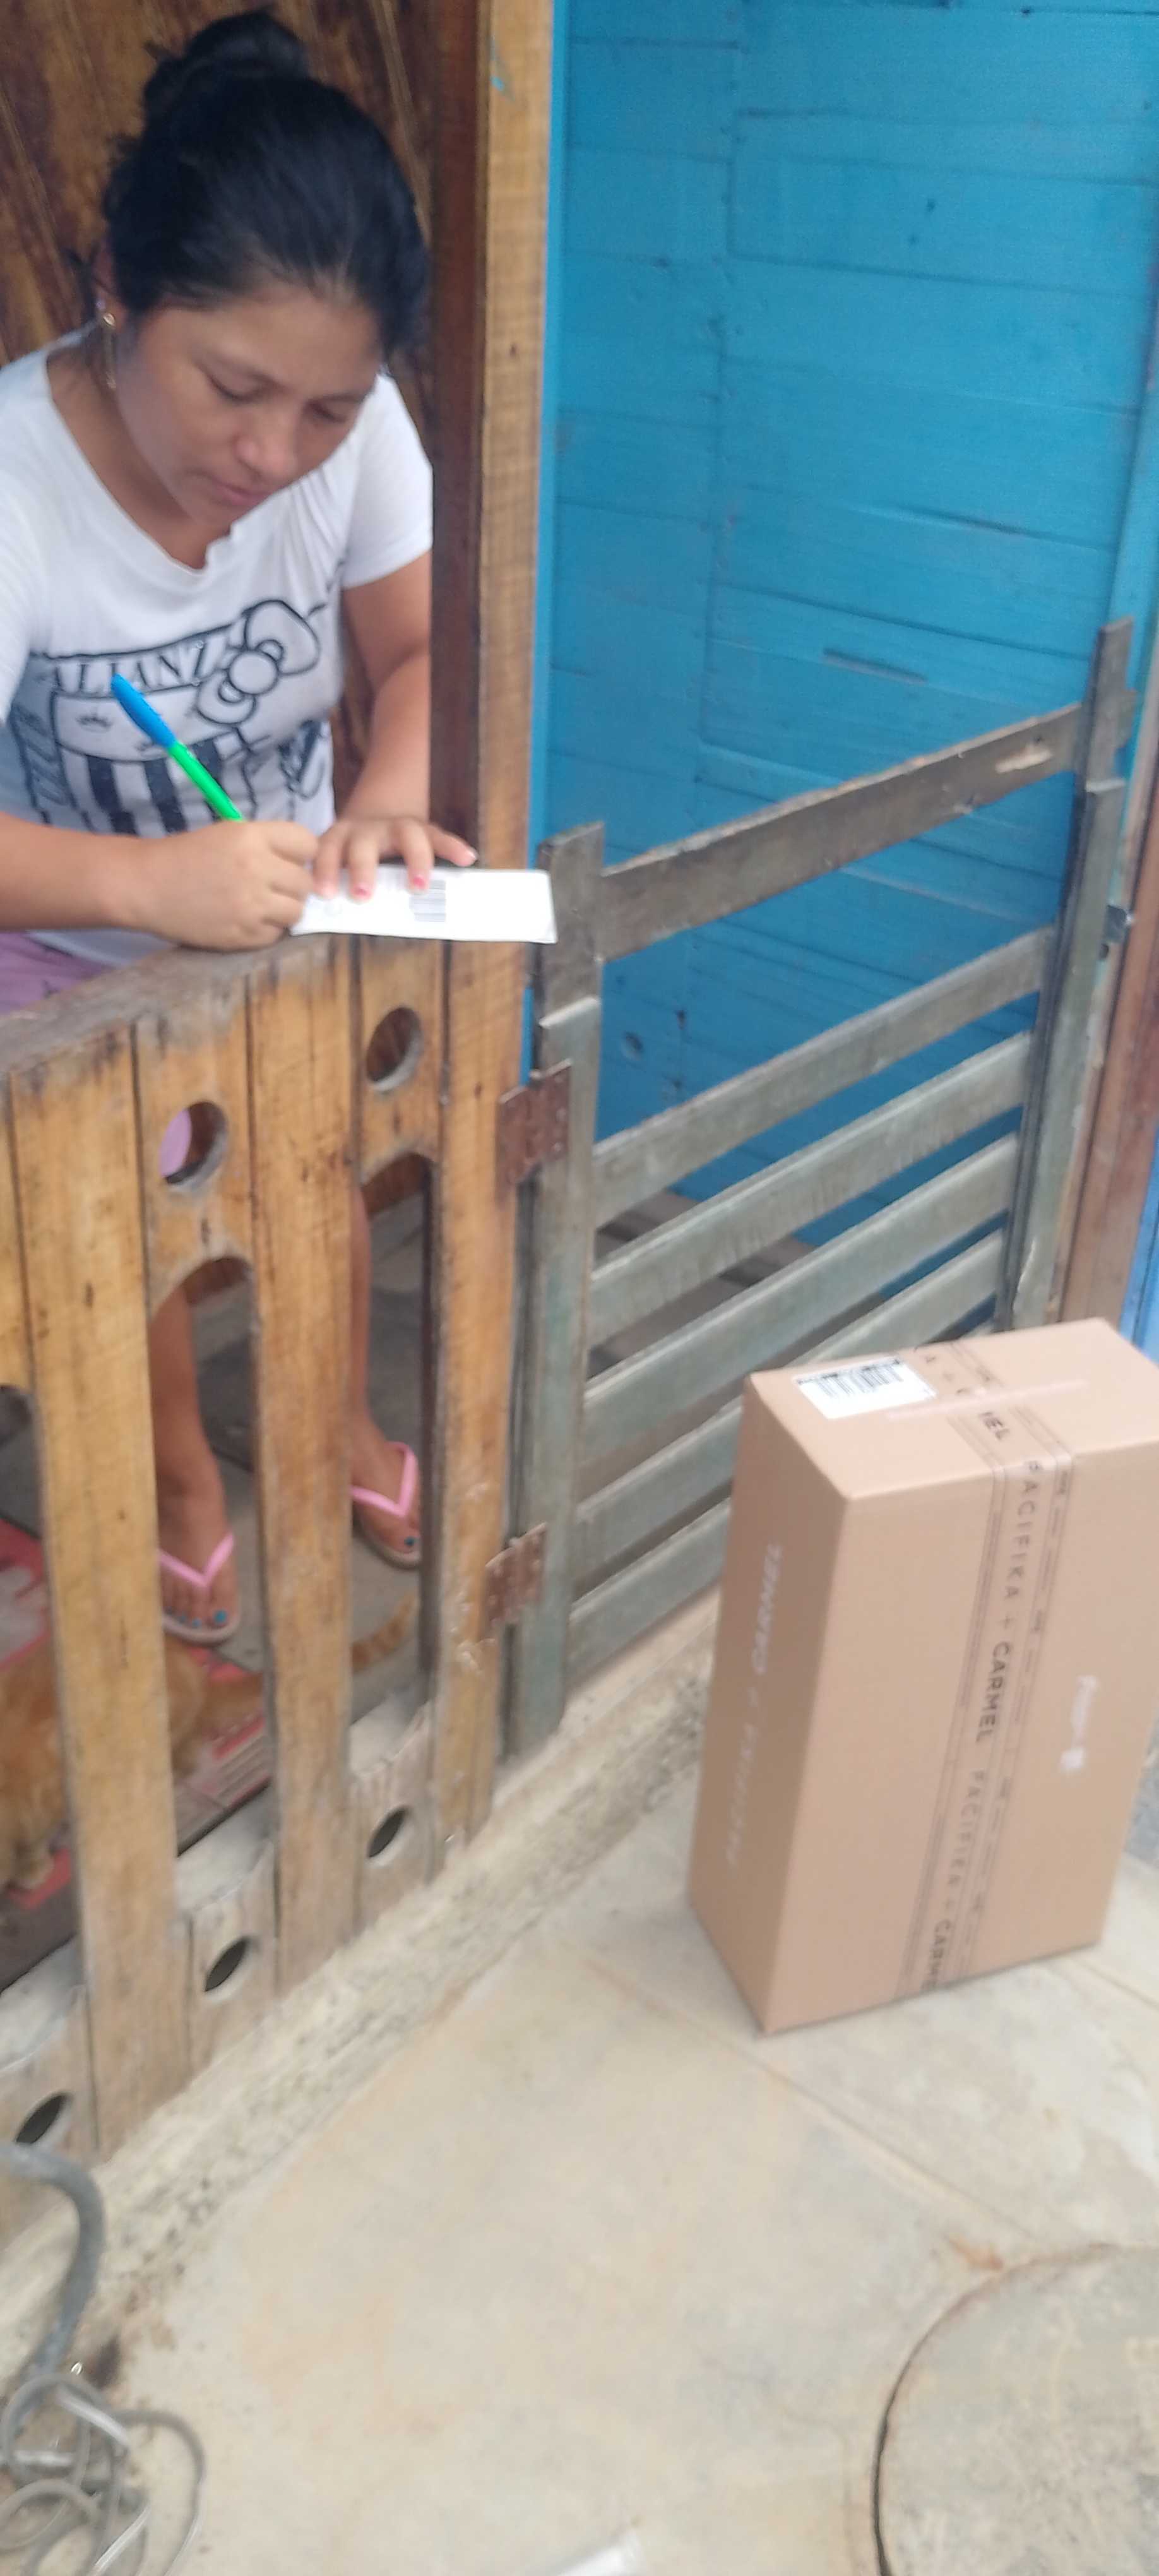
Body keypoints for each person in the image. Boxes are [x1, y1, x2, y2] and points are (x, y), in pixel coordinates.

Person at [0, 9, 473, 1640]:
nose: (275, 457)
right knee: (119, 1227)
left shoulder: (359, 434)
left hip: (278, 902)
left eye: (329, 411)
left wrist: (384, 801)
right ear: (120, 293)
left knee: (316, 1175)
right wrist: (147, 883)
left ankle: (334, 1427)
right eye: (233, 390)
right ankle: (182, 1487)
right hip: (59, 940)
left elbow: (417, 655)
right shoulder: (12, 486)